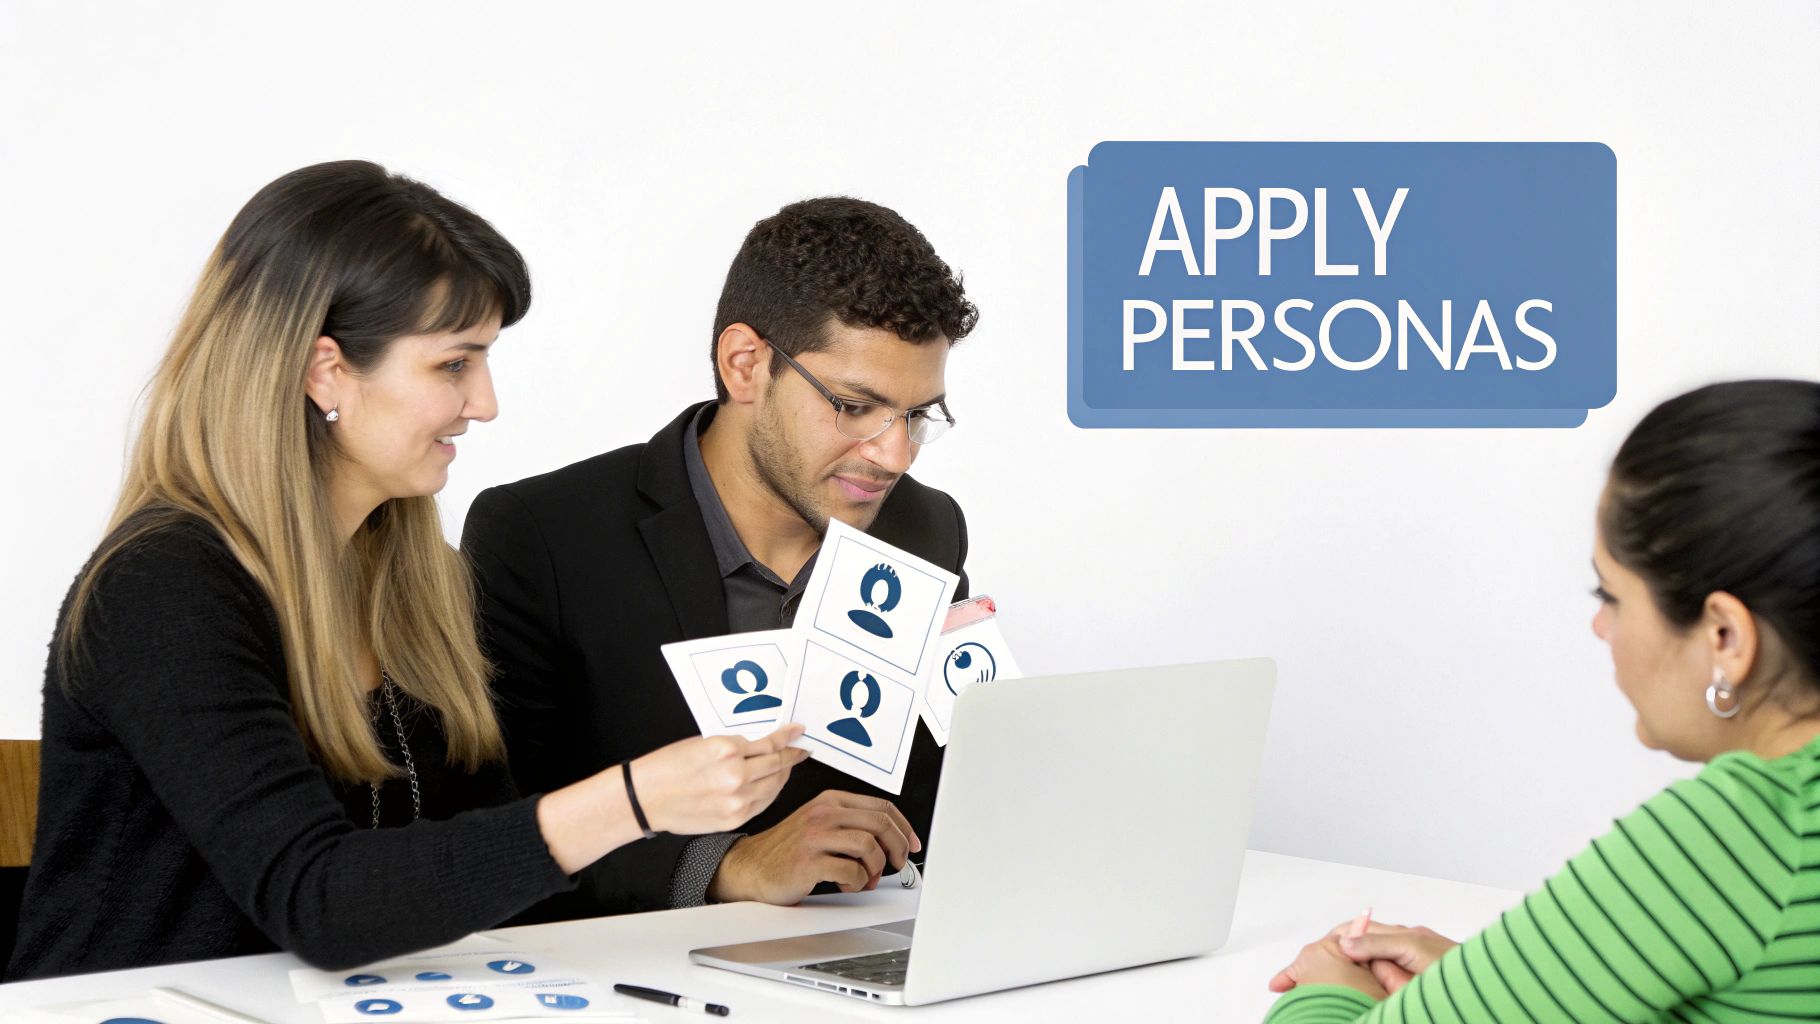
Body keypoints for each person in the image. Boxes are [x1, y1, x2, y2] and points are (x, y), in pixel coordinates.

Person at [7, 161, 805, 981]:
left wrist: (725, 862)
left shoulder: (414, 582)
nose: (485, 402)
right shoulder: (163, 587)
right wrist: (631, 800)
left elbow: (496, 860)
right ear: (326, 371)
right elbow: (319, 898)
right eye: (453, 365)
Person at [462, 196, 978, 916]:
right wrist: (724, 866)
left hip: (853, 968)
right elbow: (486, 840)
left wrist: (972, 714)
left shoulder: (925, 528)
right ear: (745, 365)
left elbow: (923, 817)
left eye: (918, 415)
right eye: (855, 406)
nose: (893, 455)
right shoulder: (541, 536)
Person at [1265, 379, 1820, 1022]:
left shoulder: (1738, 834)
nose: (1601, 629)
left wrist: (1326, 991)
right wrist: (1506, 985)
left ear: (1725, 636)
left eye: (1609, 595)